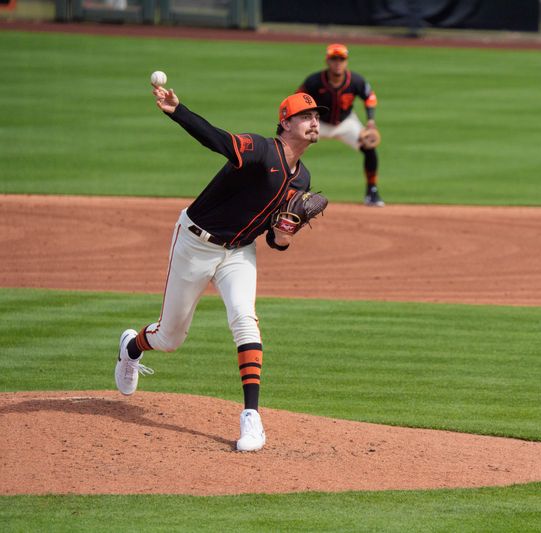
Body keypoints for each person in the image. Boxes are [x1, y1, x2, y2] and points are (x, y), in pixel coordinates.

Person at [115, 82, 327, 452]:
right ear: (285, 123)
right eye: (304, 116)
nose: (313, 122)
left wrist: (284, 234)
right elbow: (217, 140)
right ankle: (132, 346)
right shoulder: (262, 150)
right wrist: (178, 111)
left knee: (245, 319)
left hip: (239, 252)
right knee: (169, 338)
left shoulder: (302, 179)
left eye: (316, 116)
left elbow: (276, 241)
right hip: (195, 243)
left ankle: (251, 418)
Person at [298, 43, 384, 207]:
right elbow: (297, 98)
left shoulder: (356, 81)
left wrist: (370, 121)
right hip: (318, 124)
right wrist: (302, 122)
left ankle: (372, 191)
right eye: (334, 59)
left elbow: (370, 97)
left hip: (346, 123)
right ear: (327, 61)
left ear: (346, 61)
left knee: (369, 148)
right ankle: (287, 190)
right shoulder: (315, 81)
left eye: (341, 59)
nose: (338, 62)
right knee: (291, 150)